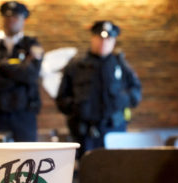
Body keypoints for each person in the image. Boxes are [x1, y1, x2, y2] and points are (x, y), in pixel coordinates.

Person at [56, 20, 142, 157]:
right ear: (93, 38)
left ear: (114, 41)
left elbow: (136, 94)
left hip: (115, 131)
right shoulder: (76, 65)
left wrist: (121, 100)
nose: (104, 42)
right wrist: (77, 108)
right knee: (88, 174)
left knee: (116, 172)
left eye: (108, 38)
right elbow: (61, 99)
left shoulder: (121, 65)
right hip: (84, 134)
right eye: (100, 38)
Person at [0, 1, 44, 141]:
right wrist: (19, 72)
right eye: (8, 17)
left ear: (23, 20)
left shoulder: (31, 44)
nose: (11, 20)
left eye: (16, 17)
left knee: (27, 157)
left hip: (24, 114)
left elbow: (31, 75)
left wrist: (0, 66)